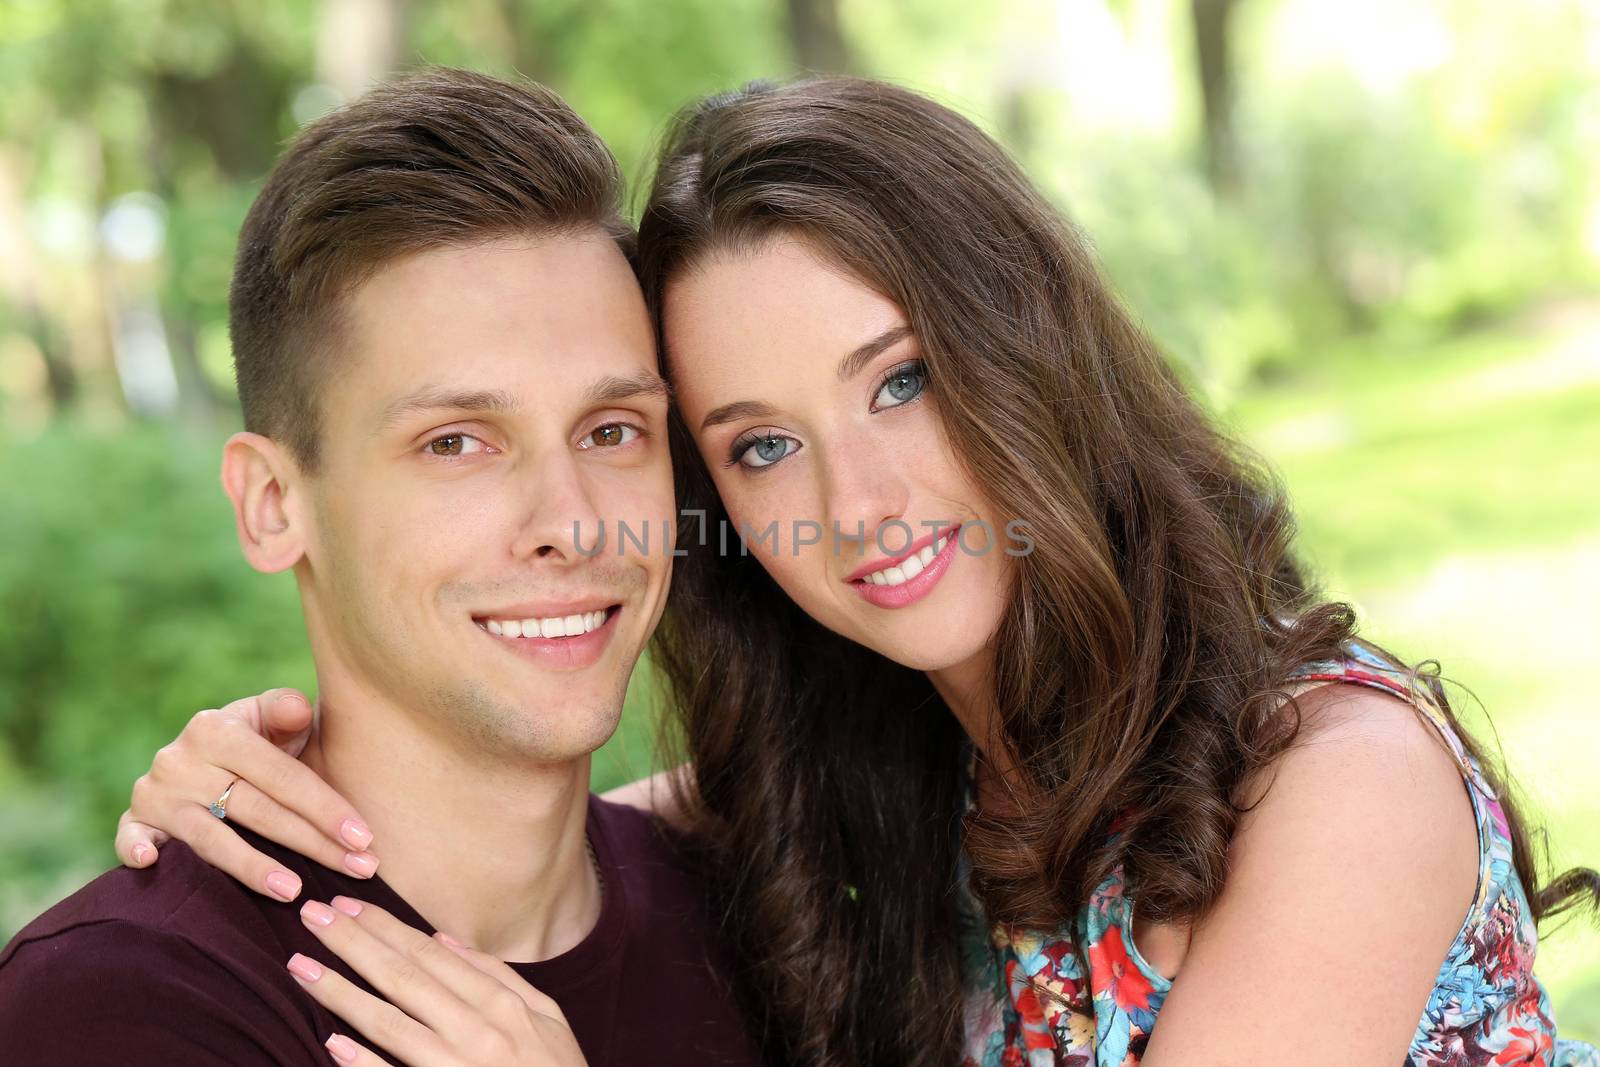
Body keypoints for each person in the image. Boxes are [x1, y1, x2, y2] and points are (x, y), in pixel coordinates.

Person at [111, 77, 1598, 1066]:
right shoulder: (899, 782)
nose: (859, 500)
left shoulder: (1335, 778)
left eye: (902, 382)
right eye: (760, 447)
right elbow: (514, 808)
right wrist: (247, 787)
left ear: (1029, 348)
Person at [0, 69, 761, 1067]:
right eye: (456, 442)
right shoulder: (127, 1006)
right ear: (275, 504)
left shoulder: (758, 921)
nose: (570, 525)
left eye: (611, 429)